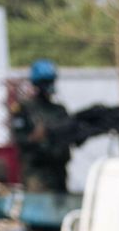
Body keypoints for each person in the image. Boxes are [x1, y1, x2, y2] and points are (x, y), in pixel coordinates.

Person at [9, 59, 73, 192]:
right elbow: (19, 139)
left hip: (59, 171)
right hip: (37, 172)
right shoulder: (23, 109)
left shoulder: (59, 110)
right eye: (45, 83)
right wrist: (35, 137)